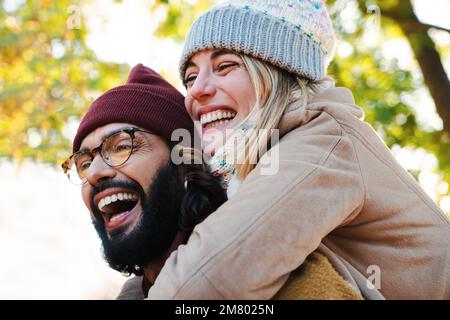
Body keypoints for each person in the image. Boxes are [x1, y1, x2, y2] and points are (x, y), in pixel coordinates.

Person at [144, 0, 450, 299]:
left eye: (225, 66)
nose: (196, 90)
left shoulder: (322, 142)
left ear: (278, 74)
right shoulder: (249, 167)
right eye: (191, 77)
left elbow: (197, 287)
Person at [63, 63, 364, 300]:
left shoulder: (291, 282)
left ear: (185, 165)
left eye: (121, 146)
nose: (94, 173)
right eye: (84, 162)